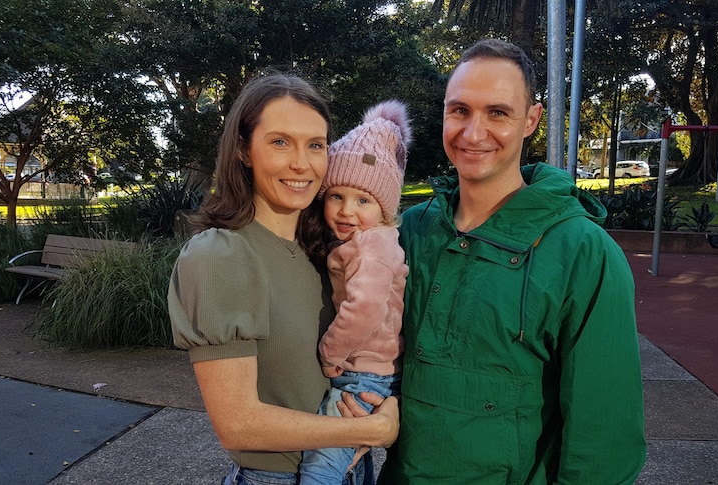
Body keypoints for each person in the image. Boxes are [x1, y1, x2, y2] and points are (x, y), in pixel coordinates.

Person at [378, 39, 647, 484]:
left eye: (497, 113)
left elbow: (605, 436)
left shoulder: (584, 252)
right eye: (460, 110)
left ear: (531, 120)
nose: (473, 132)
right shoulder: (408, 231)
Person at [167, 74, 399, 485]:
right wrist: (370, 430)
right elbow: (237, 423)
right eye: (280, 142)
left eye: (315, 145)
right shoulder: (221, 254)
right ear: (243, 149)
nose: (301, 163)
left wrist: (383, 403)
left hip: (349, 469)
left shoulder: (324, 250)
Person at [298, 100, 411, 485]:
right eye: (336, 196)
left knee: (322, 467)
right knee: (350, 460)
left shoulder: (372, 248)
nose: (346, 211)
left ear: (383, 209)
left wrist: (330, 352)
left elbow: (364, 309)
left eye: (363, 201)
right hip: (367, 372)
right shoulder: (365, 240)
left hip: (364, 375)